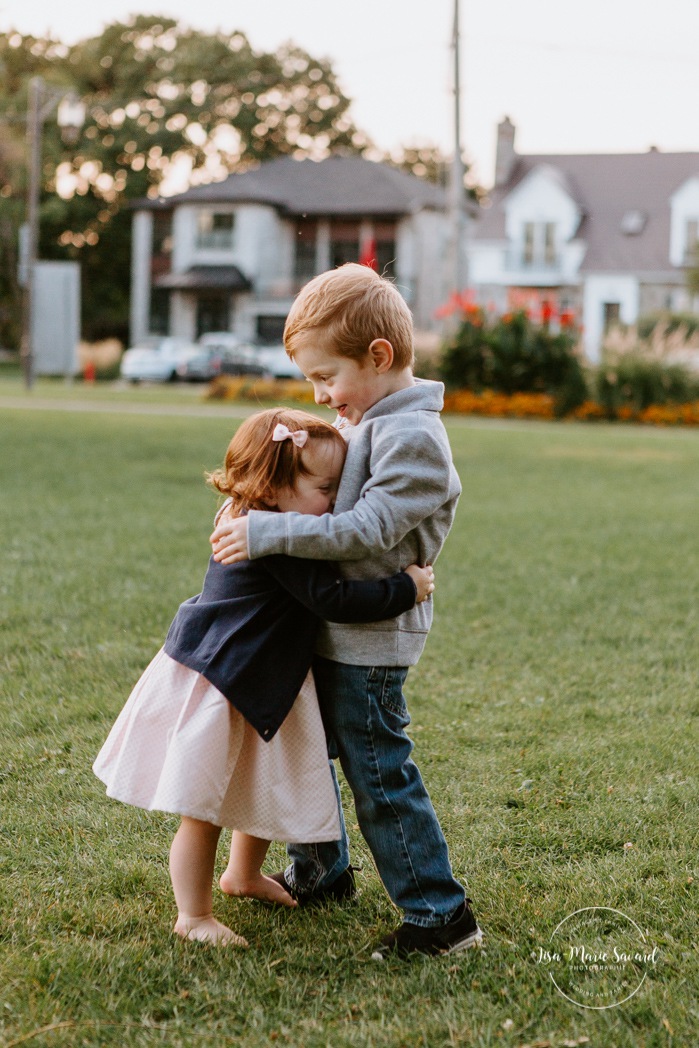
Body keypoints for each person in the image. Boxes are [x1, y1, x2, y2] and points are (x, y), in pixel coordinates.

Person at [209, 264, 483, 959]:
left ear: (379, 358)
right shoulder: (367, 421)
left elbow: (364, 529)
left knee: (379, 775)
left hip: (371, 642)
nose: (320, 394)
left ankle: (439, 917)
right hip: (329, 629)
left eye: (326, 377)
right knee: (305, 753)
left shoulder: (412, 437)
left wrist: (265, 534)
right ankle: (320, 871)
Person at [93, 408, 434, 947]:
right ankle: (193, 916)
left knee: (253, 784)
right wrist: (405, 589)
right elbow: (333, 599)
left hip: (260, 678)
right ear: (274, 490)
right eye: (326, 487)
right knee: (202, 810)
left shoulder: (257, 514)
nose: (335, 501)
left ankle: (243, 875)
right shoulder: (274, 538)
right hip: (225, 679)